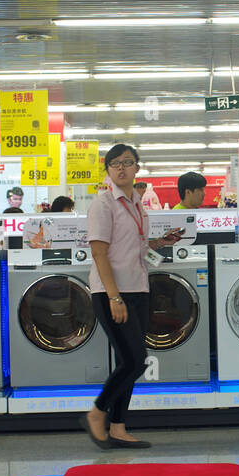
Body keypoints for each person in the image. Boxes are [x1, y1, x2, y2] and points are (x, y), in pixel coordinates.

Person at [82, 144, 183, 451]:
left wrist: (160, 242)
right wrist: (114, 298)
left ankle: (119, 426)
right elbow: (99, 251)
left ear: (138, 168)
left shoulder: (137, 204)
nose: (122, 168)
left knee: (129, 359)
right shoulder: (103, 205)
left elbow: (134, 248)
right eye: (115, 164)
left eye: (127, 162)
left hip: (138, 288)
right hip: (112, 292)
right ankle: (98, 413)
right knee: (136, 361)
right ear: (108, 171)